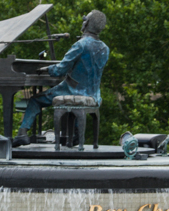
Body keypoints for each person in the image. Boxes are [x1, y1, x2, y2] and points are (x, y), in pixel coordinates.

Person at [12, 10, 109, 147]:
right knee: (72, 100)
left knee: (35, 100)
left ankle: (22, 133)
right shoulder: (105, 48)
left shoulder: (80, 45)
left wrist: (47, 69)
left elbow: (60, 70)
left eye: (84, 20)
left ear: (86, 23)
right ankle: (75, 134)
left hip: (74, 90)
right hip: (94, 94)